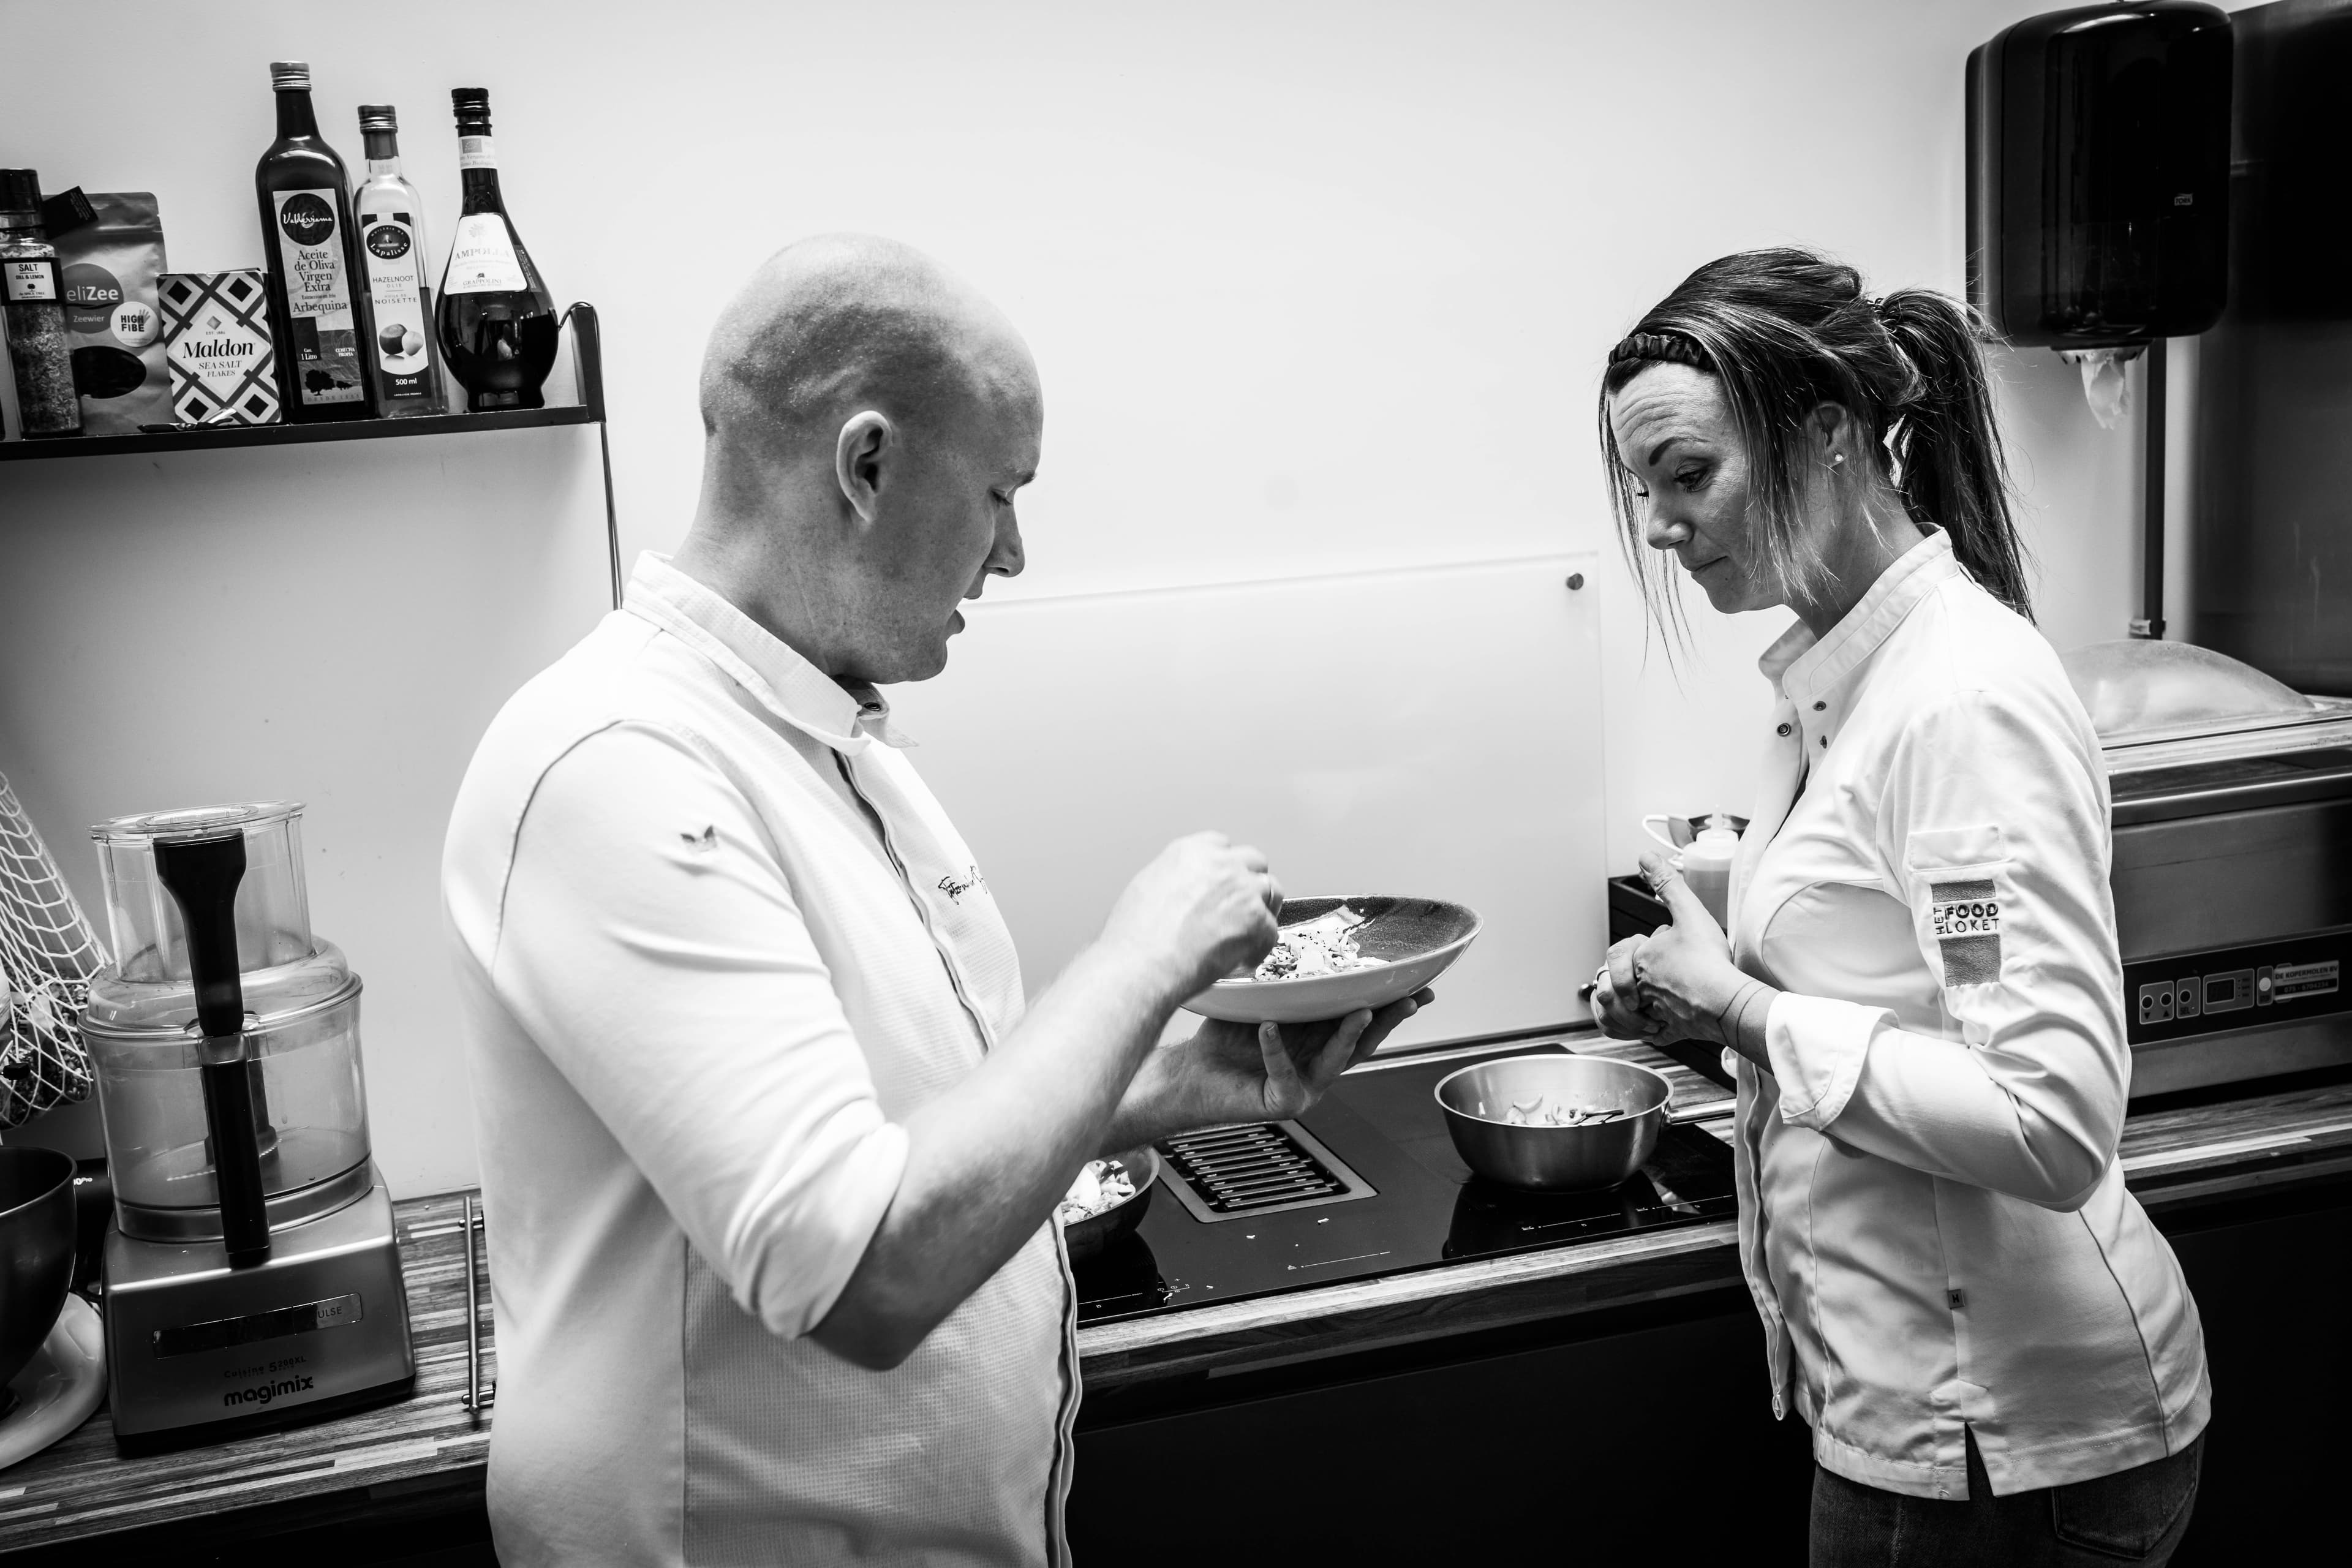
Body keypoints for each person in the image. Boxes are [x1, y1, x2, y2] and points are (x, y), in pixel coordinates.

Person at [442, 233, 1428, 1566]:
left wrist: (1178, 1077)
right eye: (1000, 493)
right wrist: (1137, 962)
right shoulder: (613, 762)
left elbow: (912, 1123)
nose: (1013, 553)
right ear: (866, 465)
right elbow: (853, 1268)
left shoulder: (833, 739)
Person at [1588, 249, 2208, 1566]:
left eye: (1688, 476)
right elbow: (1891, 984)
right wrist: (1709, 979)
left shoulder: (1960, 700)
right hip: (1916, 1408)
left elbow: (2051, 1120)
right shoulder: (1838, 682)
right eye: (1647, 488)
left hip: (2010, 1434)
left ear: (1827, 436)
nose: (1658, 525)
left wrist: (1746, 1012)